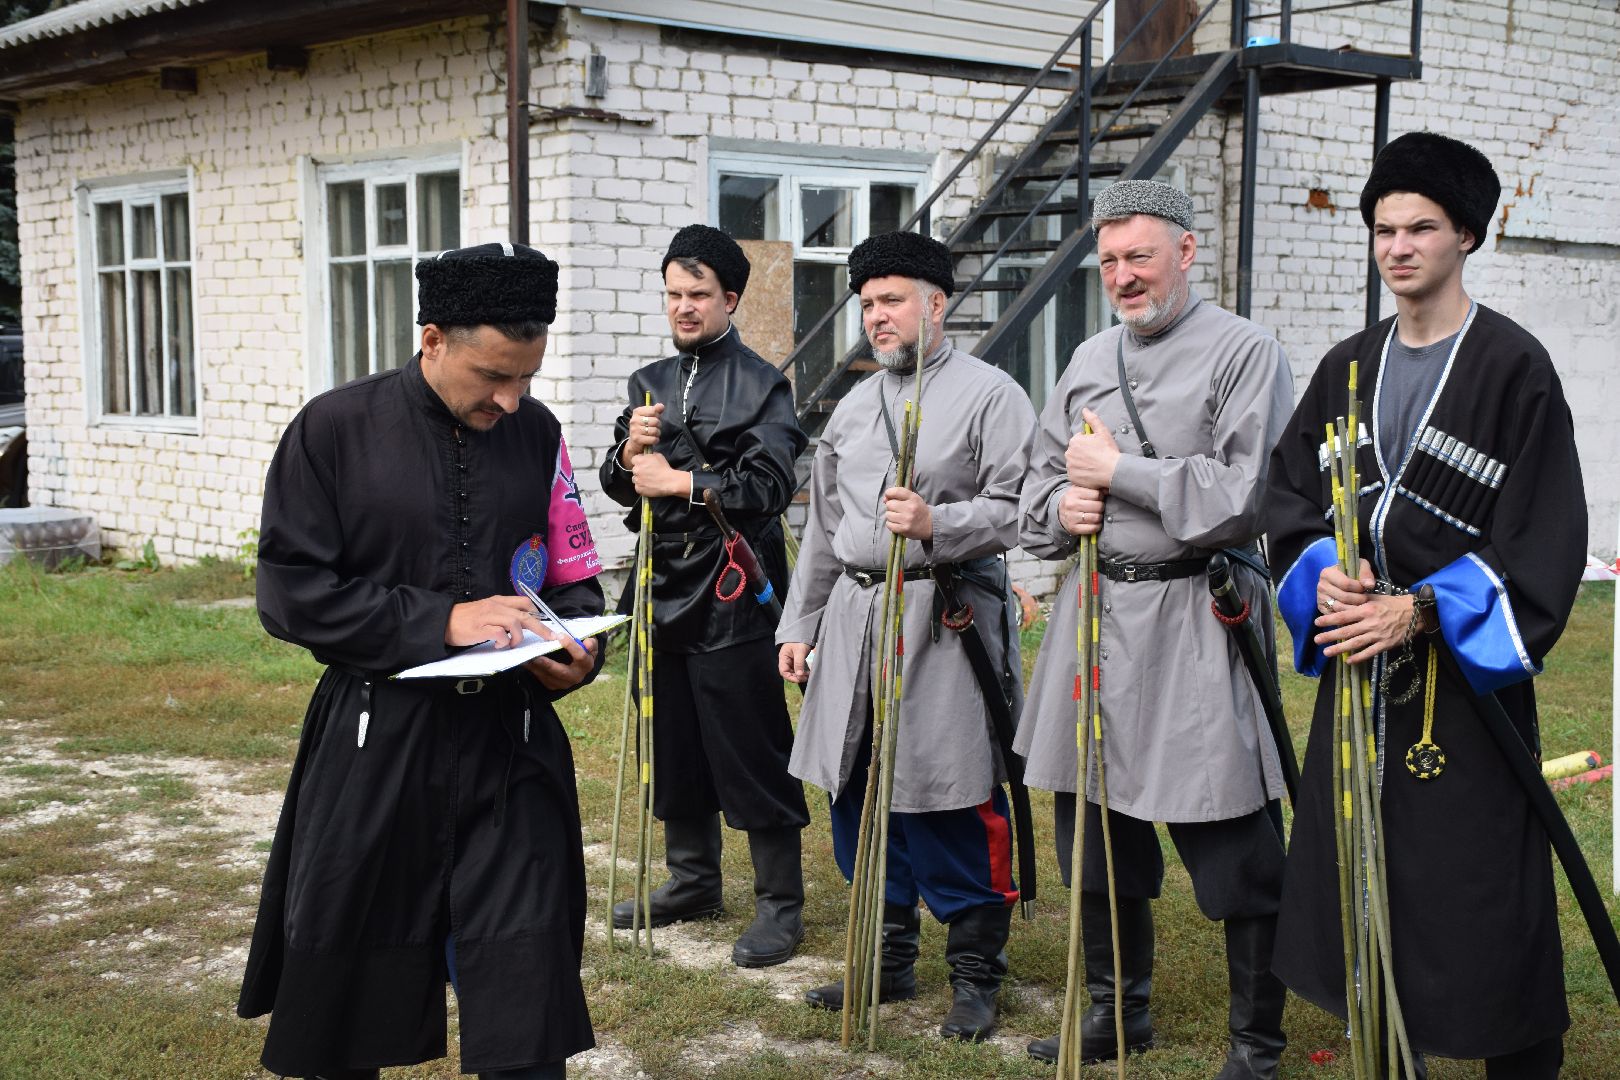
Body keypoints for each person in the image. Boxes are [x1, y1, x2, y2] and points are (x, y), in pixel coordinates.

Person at [237, 243, 606, 1080]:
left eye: (526, 377)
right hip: (376, 742)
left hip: (510, 745)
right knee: (348, 993)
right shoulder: (333, 430)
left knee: (526, 998)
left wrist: (581, 648)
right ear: (433, 339)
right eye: (492, 377)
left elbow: (574, 578)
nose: (510, 400)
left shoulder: (538, 432)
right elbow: (289, 592)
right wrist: (440, 620)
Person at [1267, 131, 1586, 1078]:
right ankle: (1385, 1049)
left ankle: (1520, 1062)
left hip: (1465, 691)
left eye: (1421, 228)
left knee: (1484, 891)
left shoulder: (1512, 369)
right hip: (1361, 679)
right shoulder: (1345, 366)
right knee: (1366, 877)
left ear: (1466, 238)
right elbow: (1287, 499)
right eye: (1382, 230)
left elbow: (1542, 539)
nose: (1397, 247)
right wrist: (1323, 570)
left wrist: (1420, 610)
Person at [1013, 180, 1295, 1078]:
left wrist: (1121, 472)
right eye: (1110, 262)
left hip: (1198, 615)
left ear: (1186, 250)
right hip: (1096, 617)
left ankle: (1257, 1040)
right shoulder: (1089, 357)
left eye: (1140, 256)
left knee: (1230, 833)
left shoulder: (1246, 352)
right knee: (1094, 829)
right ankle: (1116, 1013)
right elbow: (1033, 494)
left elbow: (1252, 494)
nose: (1124, 277)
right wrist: (1067, 505)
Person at [777, 229, 1037, 1042]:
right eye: (866, 306)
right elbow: (822, 528)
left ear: (936, 302)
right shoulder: (853, 408)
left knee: (950, 790)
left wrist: (937, 523)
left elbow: (1019, 508)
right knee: (860, 787)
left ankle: (975, 976)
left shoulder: (994, 395)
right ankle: (886, 960)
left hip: (944, 619)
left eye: (890, 302)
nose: (877, 319)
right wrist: (801, 621)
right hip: (855, 623)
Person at [599, 224, 810, 967]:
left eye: (697, 295)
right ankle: (693, 880)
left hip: (731, 584)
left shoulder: (764, 384)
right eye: (673, 295)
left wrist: (685, 481)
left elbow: (771, 485)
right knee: (673, 737)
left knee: (748, 742)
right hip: (659, 585)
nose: (683, 308)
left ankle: (780, 903)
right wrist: (629, 453)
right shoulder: (648, 380)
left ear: (730, 298)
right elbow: (617, 479)